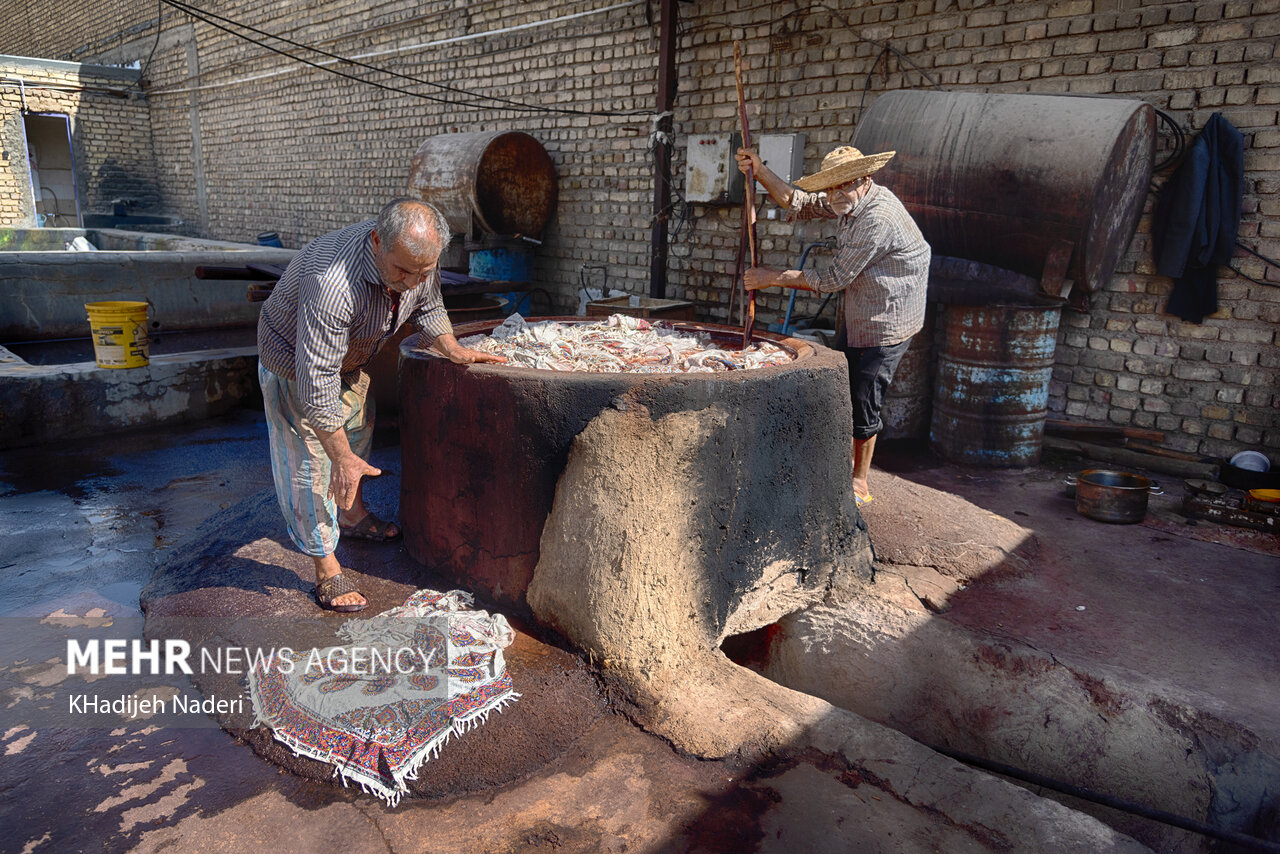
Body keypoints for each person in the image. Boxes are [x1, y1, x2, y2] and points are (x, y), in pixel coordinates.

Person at [257, 198, 506, 612]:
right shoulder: (333, 284)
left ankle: (351, 518)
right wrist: (340, 457)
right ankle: (326, 569)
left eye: (423, 271)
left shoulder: (418, 259)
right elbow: (316, 381)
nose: (412, 281)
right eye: (402, 271)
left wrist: (451, 348)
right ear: (377, 242)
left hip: (352, 356)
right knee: (313, 461)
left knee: (358, 426)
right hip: (295, 364)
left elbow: (428, 304)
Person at [736, 145, 930, 507]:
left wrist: (772, 277)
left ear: (866, 179)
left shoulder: (877, 217)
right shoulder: (845, 198)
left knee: (864, 396)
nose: (835, 195)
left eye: (844, 186)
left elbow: (835, 277)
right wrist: (760, 171)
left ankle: (859, 481)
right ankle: (837, 460)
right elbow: (800, 203)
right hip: (861, 307)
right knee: (844, 382)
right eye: (830, 188)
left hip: (888, 316)